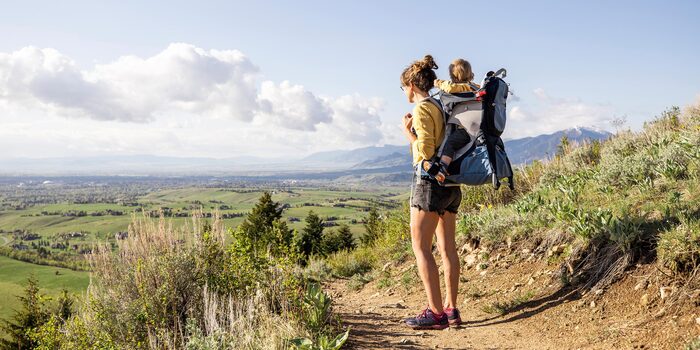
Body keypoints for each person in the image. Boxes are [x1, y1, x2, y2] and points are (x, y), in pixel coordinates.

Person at [400, 55, 462, 330]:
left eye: (403, 88)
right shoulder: (441, 104)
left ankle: (436, 314)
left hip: (429, 185)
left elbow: (424, 151)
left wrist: (409, 135)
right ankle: (451, 309)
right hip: (450, 185)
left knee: (421, 248)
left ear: (412, 85)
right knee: (448, 249)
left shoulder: (424, 108)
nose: (404, 93)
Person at [429, 58, 480, 183]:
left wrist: (437, 83)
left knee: (450, 143)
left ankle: (443, 168)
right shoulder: (477, 87)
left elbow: (450, 88)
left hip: (466, 131)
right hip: (478, 129)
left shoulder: (462, 88)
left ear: (454, 76)